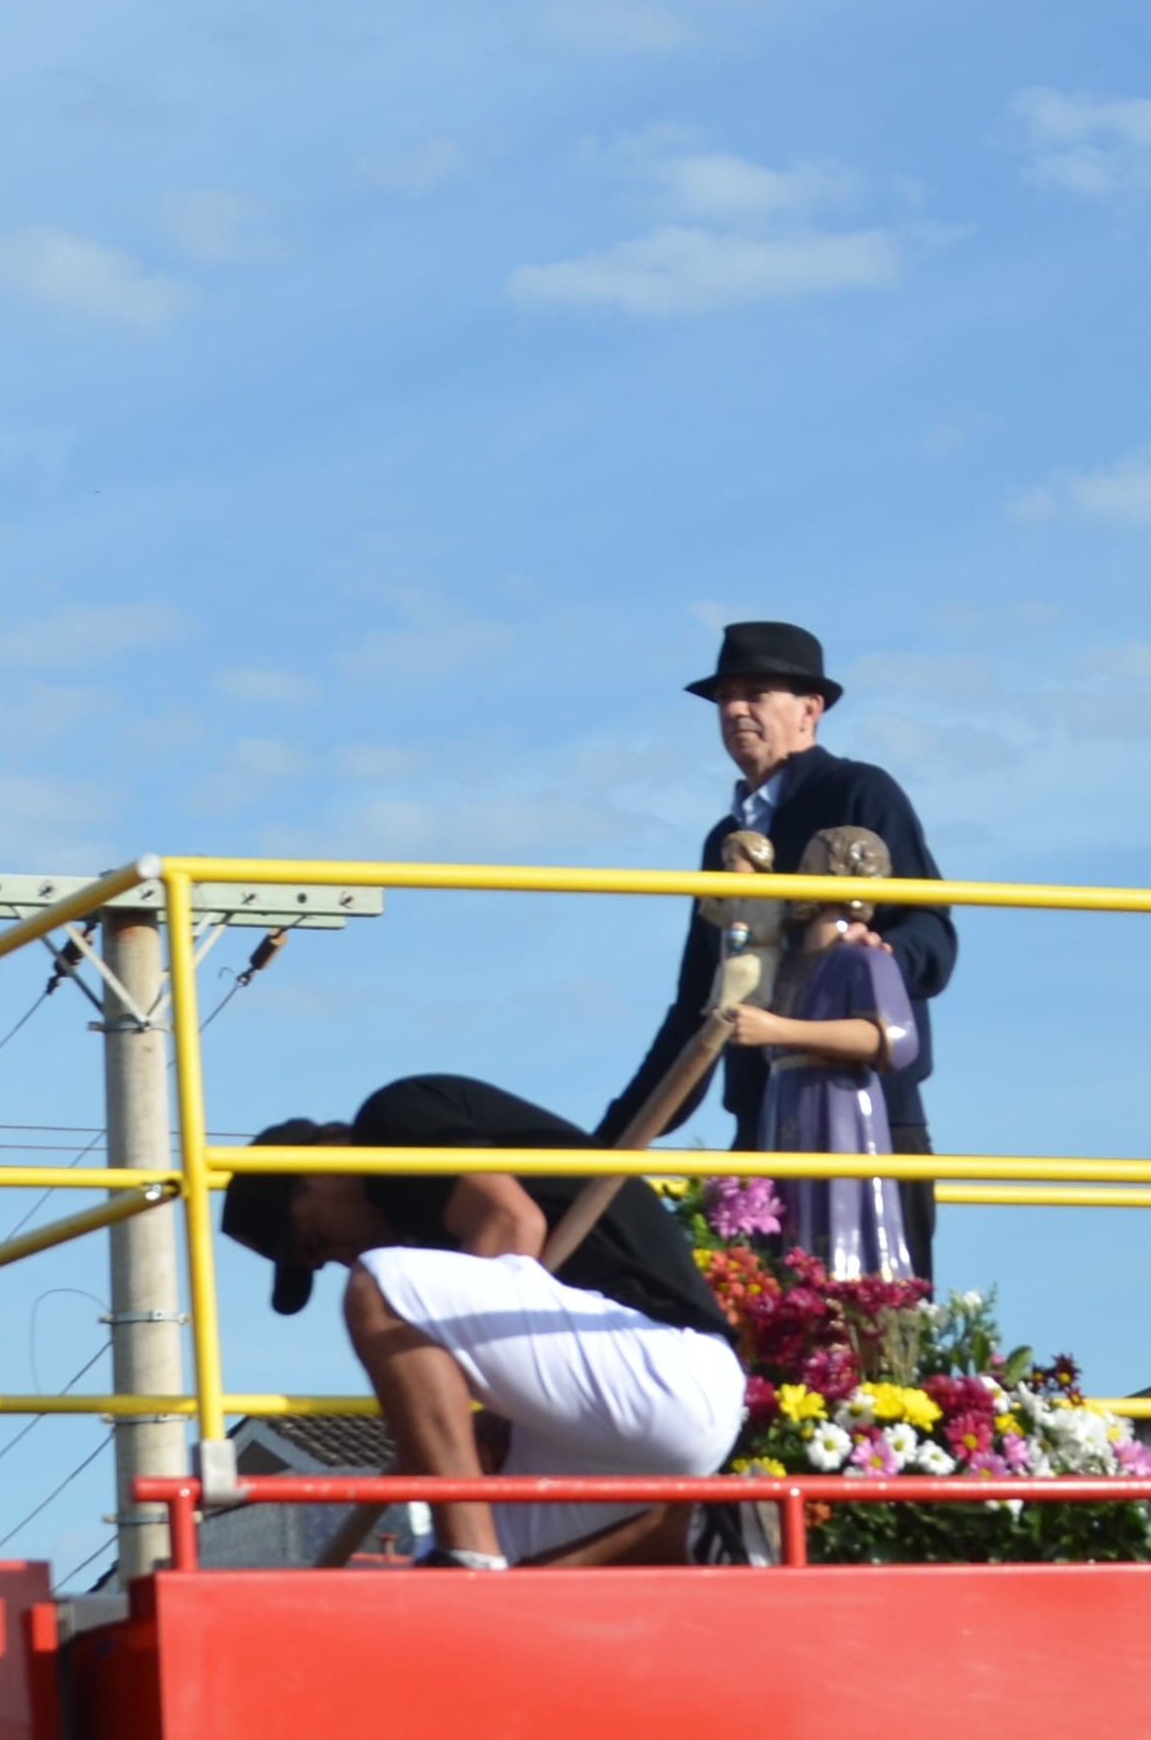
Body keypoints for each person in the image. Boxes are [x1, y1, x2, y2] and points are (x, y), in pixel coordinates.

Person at [220, 1075, 747, 1570]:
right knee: (452, 1580)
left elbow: (512, 1221)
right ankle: (670, 1525)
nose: (338, 1256)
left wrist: (479, 1411)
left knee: (380, 1286)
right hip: (619, 1423)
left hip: (662, 1361)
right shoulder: (426, 1243)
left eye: (317, 1240)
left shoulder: (393, 1118)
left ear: (320, 1166)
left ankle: (468, 1556)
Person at [603, 619, 959, 1276]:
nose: (735, 709)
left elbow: (932, 934)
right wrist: (614, 1141)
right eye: (724, 697)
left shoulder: (859, 792)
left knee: (882, 1328)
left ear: (809, 709)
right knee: (762, 1334)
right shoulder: (724, 842)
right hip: (761, 1118)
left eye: (756, 692)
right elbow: (697, 1005)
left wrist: (876, 954)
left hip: (870, 1114)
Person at [730, 826, 929, 1281]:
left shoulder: (864, 959)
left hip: (839, 1110)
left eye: (810, 865)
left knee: (838, 1231)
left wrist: (780, 1029)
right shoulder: (788, 966)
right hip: (785, 1105)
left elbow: (893, 1041)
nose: (797, 876)